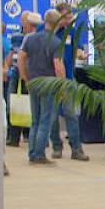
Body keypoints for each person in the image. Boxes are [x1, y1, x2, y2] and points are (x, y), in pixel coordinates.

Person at [19, 9, 65, 165]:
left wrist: (25, 77)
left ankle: (32, 153)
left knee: (35, 121)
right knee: (46, 120)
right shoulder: (56, 42)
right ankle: (39, 154)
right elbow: (58, 66)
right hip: (49, 85)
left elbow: (21, 58)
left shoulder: (30, 39)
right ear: (57, 24)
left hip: (33, 83)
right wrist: (62, 86)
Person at [50, 3, 89, 161]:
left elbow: (78, 49)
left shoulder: (72, 32)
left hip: (68, 80)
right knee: (52, 116)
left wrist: (81, 55)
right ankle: (56, 147)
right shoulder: (47, 32)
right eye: (66, 17)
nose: (69, 19)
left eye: (70, 16)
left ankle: (76, 149)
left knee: (71, 114)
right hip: (50, 81)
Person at [6, 11, 40, 147]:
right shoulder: (16, 37)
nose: (25, 22)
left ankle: (28, 135)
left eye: (28, 20)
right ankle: (13, 136)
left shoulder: (36, 38)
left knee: (28, 105)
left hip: (30, 73)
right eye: (23, 20)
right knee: (13, 104)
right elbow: (12, 53)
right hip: (15, 73)